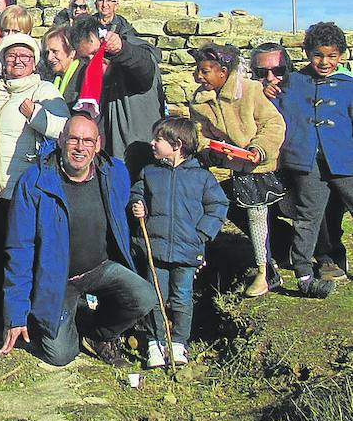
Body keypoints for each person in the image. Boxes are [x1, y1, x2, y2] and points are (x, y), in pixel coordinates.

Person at [1, 116, 156, 367]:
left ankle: (99, 335)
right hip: (58, 280)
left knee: (144, 296)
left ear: (98, 144)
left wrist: (139, 206)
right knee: (60, 356)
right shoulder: (35, 182)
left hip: (100, 268)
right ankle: (48, 320)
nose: (79, 147)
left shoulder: (114, 172)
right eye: (73, 139)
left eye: (87, 141)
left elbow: (132, 199)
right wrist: (16, 314)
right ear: (61, 140)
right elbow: (19, 250)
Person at [0, 34, 70, 324]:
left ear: (34, 62)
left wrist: (36, 115)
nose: (18, 61)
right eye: (11, 56)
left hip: (21, 189)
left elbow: (66, 131)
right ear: (2, 60)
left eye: (25, 57)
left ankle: (18, 319)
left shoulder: (43, 91)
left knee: (16, 257)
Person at [188, 43, 287, 297]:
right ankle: (271, 258)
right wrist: (211, 150)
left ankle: (265, 272)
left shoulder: (251, 91)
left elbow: (273, 123)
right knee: (225, 204)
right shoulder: (200, 102)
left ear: (223, 72)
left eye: (205, 71)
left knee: (257, 216)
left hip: (257, 168)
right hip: (231, 166)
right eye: (198, 71)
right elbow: (200, 134)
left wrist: (259, 149)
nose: (200, 76)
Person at [129, 117, 228, 368]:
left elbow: (218, 206)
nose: (152, 143)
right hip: (156, 247)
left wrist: (201, 235)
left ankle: (178, 344)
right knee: (155, 297)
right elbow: (137, 194)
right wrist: (137, 207)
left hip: (187, 250)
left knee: (182, 296)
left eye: (158, 139)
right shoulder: (149, 172)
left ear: (177, 144)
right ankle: (154, 342)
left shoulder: (201, 178)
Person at [272, 22, 352, 299]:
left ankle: (331, 262)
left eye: (331, 56)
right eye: (318, 55)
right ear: (307, 52)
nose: (325, 62)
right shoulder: (291, 83)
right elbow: (274, 115)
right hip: (307, 163)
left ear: (341, 55)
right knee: (307, 216)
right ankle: (304, 273)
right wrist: (268, 93)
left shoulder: (348, 86)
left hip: (345, 161)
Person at [63, 15, 162, 170]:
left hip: (140, 157)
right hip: (106, 161)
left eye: (95, 53)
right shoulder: (87, 71)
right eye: (86, 57)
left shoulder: (134, 52)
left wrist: (121, 49)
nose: (93, 60)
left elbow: (144, 69)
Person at [43, 26, 78, 93]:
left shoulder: (82, 79)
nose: (49, 58)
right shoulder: (50, 78)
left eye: (55, 51)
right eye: (47, 52)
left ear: (72, 52)